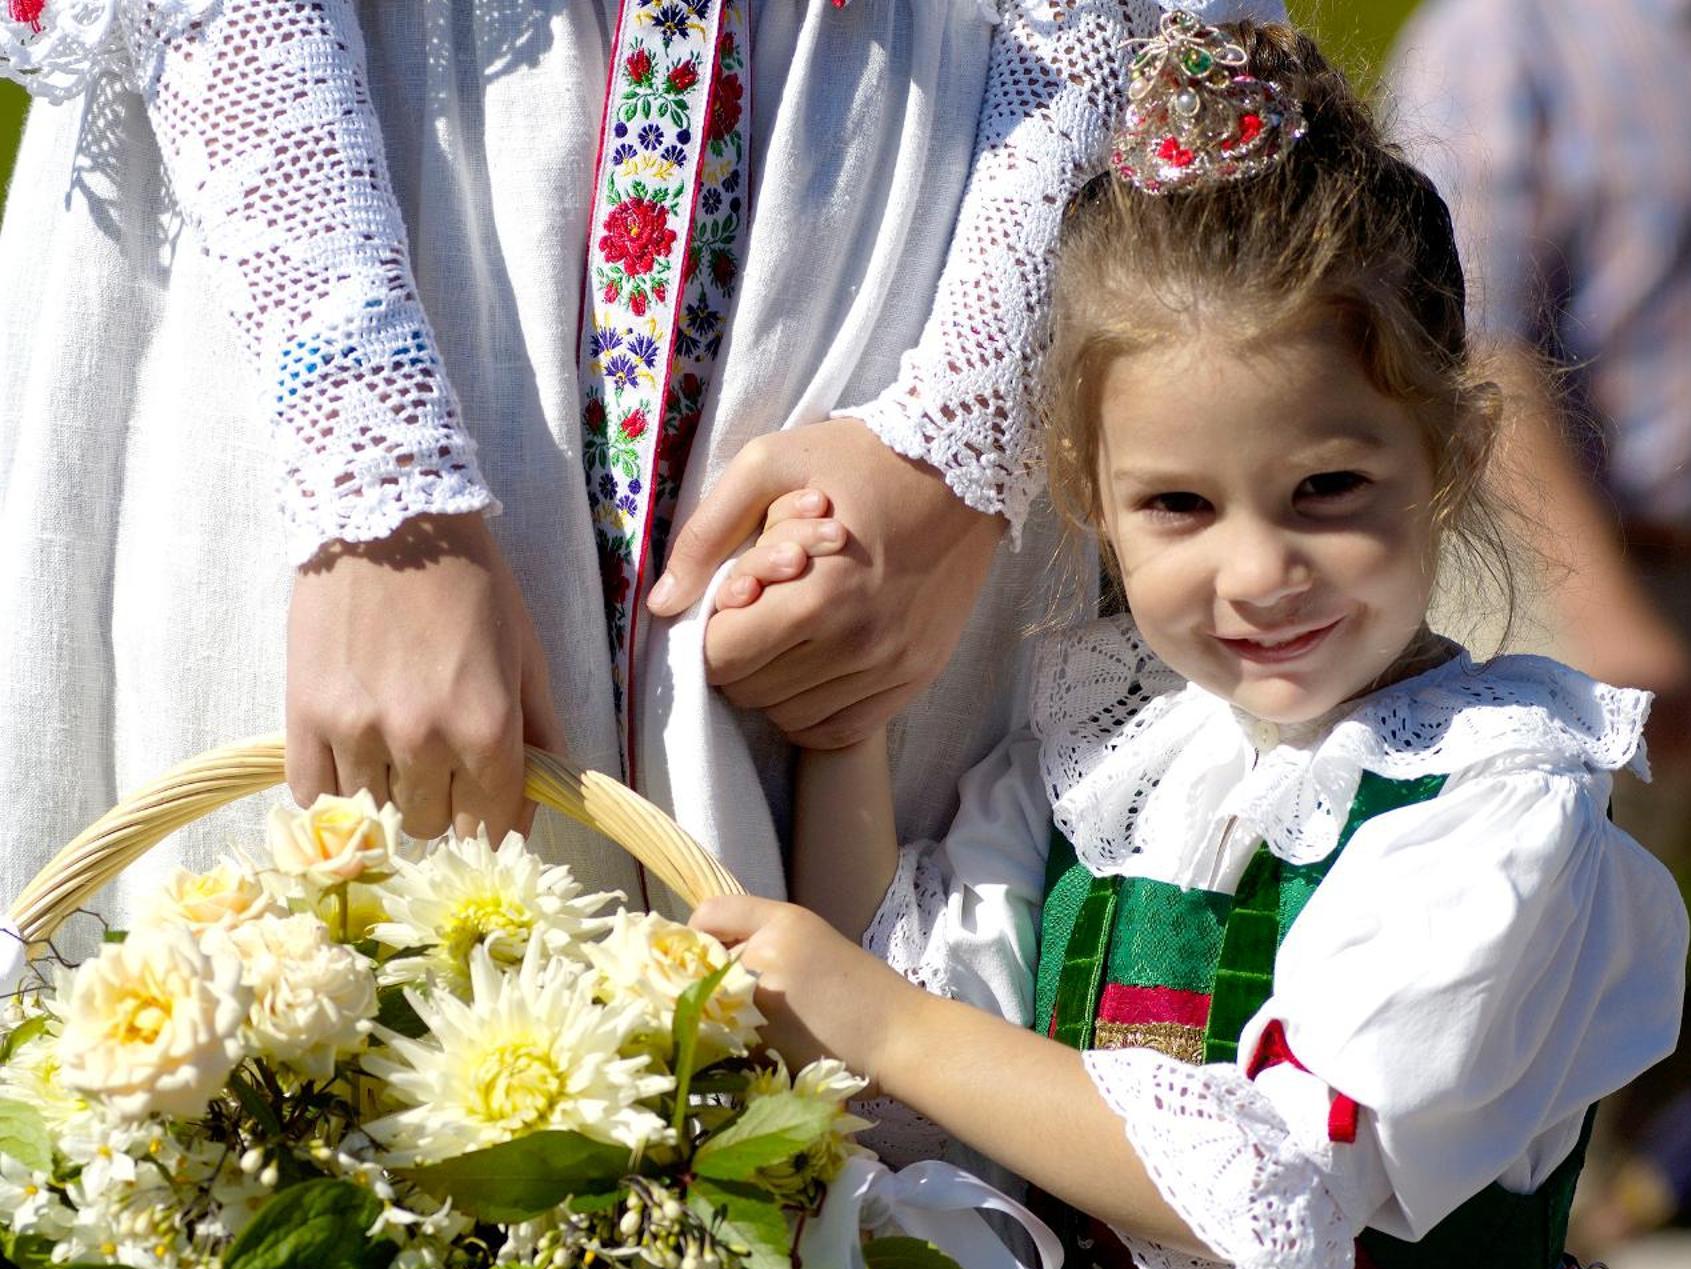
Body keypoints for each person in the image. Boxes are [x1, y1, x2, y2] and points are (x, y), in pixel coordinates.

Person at [689, 20, 1688, 1269]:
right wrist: (848, 711)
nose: (1259, 570)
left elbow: (1267, 1181)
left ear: (1449, 452)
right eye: (1178, 505)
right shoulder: (1111, 757)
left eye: (1327, 489)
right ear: (1086, 495)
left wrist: (879, 1020)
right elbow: (909, 1073)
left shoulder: (1502, 805)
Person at [0, 0, 1276, 922]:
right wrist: (375, 485)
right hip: (357, 185)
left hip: (910, 201)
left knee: (835, 1148)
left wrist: (962, 431)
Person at [1384, 0, 1691, 912]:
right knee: (1565, 968)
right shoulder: (1497, 37)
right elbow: (1478, 354)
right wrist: (1606, 614)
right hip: (1578, 598)